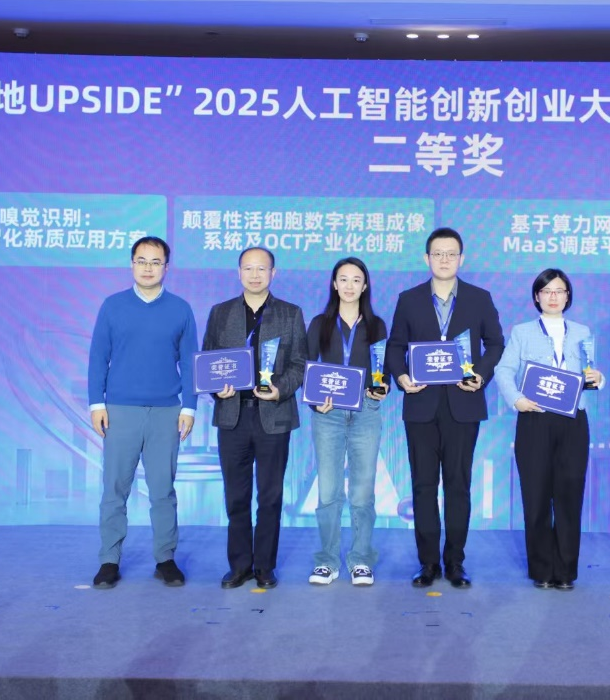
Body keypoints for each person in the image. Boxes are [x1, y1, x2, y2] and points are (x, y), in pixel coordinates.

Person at [386, 227, 504, 588]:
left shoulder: (479, 299)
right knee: (423, 487)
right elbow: (395, 346)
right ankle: (427, 563)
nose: (444, 259)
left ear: (461, 259)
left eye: (451, 253)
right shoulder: (408, 299)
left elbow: (496, 344)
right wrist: (402, 377)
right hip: (420, 405)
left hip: (463, 404)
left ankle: (455, 562)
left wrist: (480, 375)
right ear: (426, 258)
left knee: (458, 486)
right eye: (437, 253)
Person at [88, 236, 197, 590]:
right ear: (131, 264)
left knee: (163, 490)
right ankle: (109, 560)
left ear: (166, 267)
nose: (148, 268)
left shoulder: (180, 309)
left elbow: (190, 362)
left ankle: (165, 559)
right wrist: (96, 403)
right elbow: (98, 357)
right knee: (114, 489)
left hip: (167, 411)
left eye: (155, 262)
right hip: (120, 411)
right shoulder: (112, 306)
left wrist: (189, 406)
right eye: (141, 261)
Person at [203, 247, 307, 590]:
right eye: (248, 268)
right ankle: (239, 566)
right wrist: (217, 389)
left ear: (273, 273)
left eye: (262, 269)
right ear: (239, 273)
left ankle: (264, 566)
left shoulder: (290, 313)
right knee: (236, 496)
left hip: (273, 416)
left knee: (270, 496)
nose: (255, 275)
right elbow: (208, 362)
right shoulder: (220, 313)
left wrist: (280, 390)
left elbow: (299, 364)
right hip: (232, 416)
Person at [494, 268, 604, 591]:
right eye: (547, 291)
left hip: (573, 420)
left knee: (569, 497)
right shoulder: (522, 332)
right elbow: (503, 370)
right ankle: (541, 570)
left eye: (559, 291)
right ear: (536, 297)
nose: (553, 297)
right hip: (535, 419)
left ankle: (566, 571)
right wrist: (516, 399)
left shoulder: (582, 331)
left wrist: (598, 379)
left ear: (568, 296)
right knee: (536, 496)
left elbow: (589, 373)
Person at [304, 257, 389, 587]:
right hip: (328, 415)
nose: (349, 285)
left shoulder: (377, 325)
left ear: (365, 286)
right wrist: (315, 401)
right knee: (328, 491)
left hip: (366, 412)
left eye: (356, 279)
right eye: (343, 279)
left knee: (362, 492)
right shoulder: (320, 324)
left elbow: (383, 369)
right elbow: (307, 366)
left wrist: (382, 387)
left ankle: (361, 559)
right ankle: (327, 561)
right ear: (334, 284)